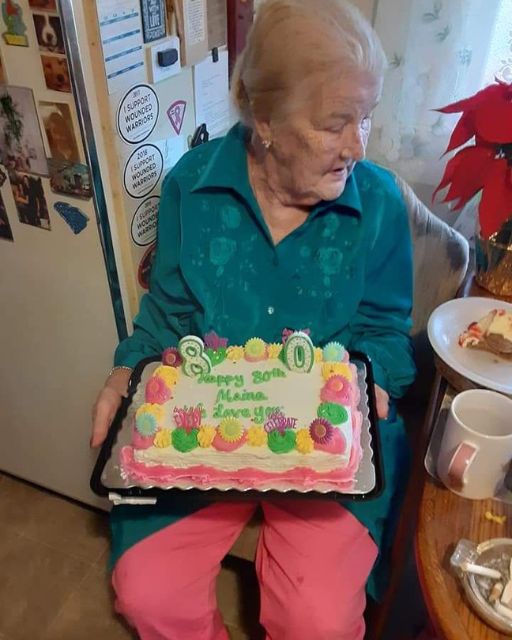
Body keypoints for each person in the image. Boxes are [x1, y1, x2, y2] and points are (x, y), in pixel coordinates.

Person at [91, 1, 416, 638]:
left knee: (317, 620)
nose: (358, 144)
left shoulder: (378, 201)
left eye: (366, 116)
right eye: (335, 123)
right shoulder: (192, 185)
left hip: (326, 450)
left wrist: (369, 382)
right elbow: (169, 314)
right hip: (205, 432)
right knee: (147, 592)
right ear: (263, 120)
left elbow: (385, 331)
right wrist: (125, 372)